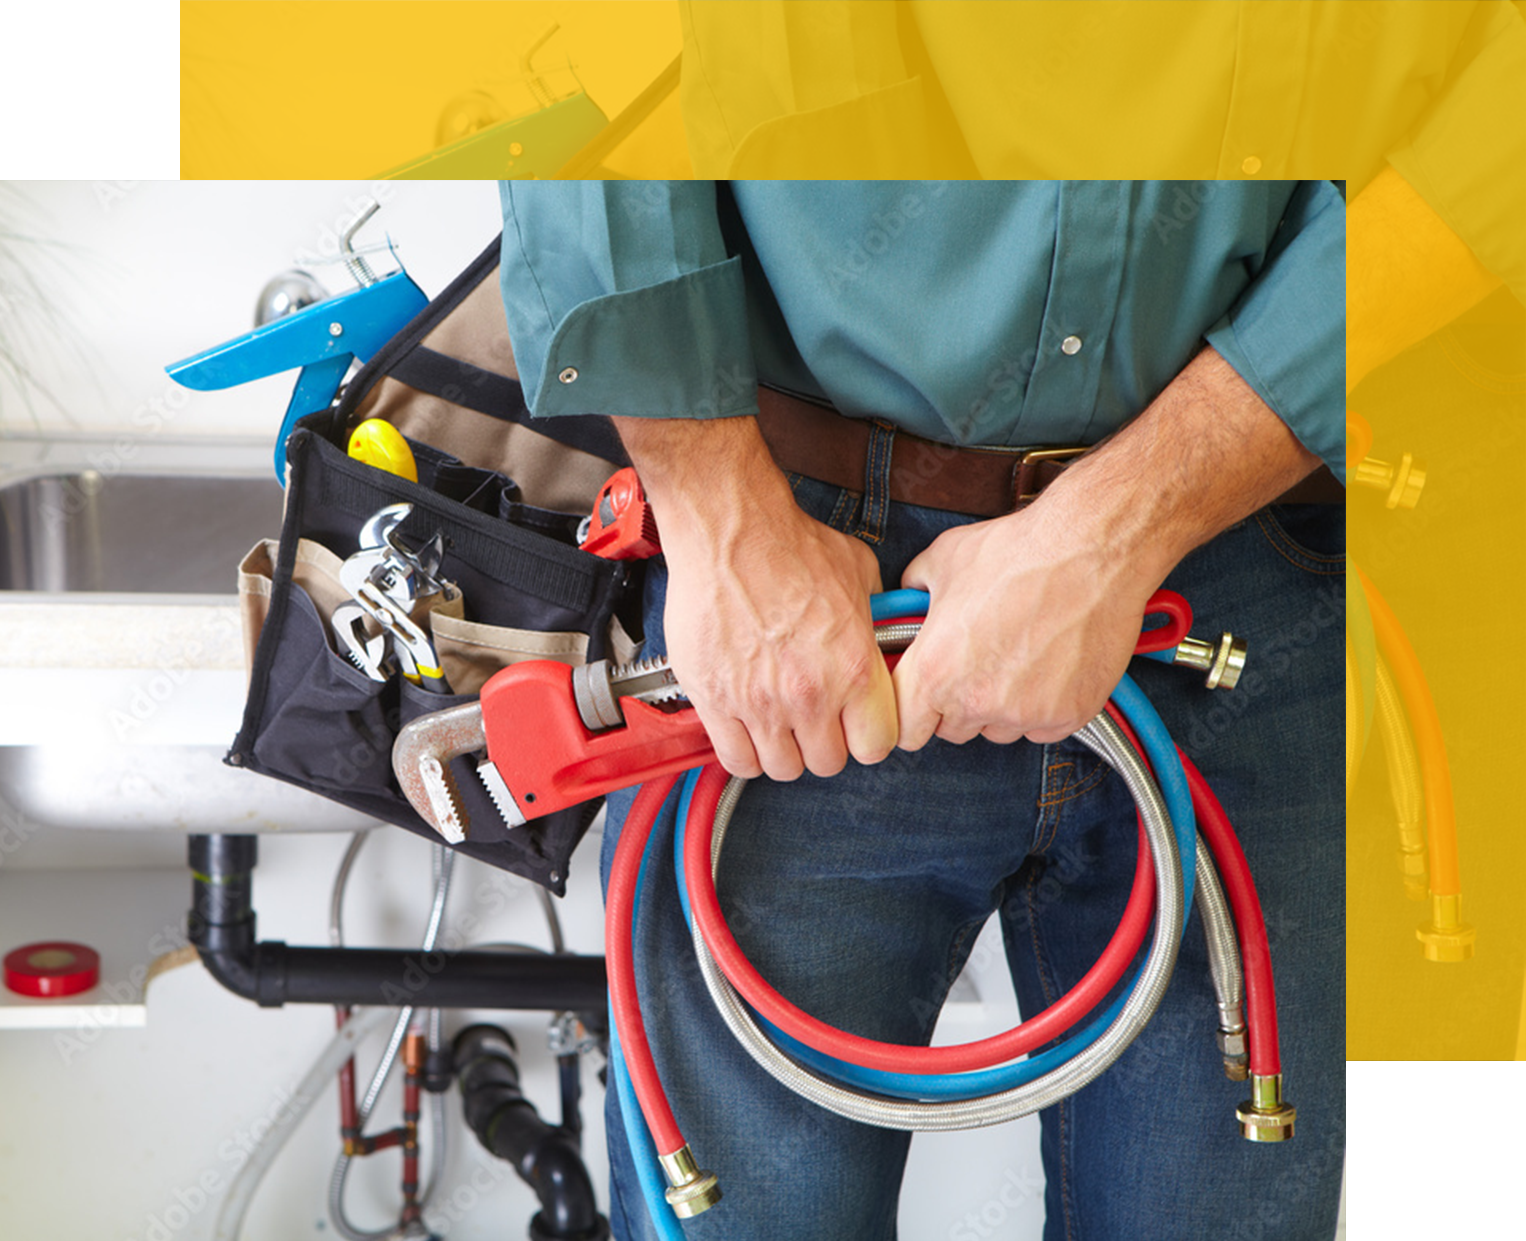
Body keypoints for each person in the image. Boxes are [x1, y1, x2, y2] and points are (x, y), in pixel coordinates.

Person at [498, 180, 1345, 1241]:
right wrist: (719, 510)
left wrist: (1124, 525)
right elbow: (588, 72)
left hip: (1250, 539)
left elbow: (1479, 135)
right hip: (793, 588)